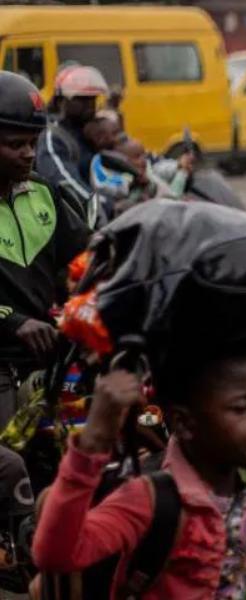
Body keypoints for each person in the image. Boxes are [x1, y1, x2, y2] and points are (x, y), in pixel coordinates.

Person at [33, 298, 246, 598]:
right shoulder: (149, 500)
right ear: (185, 422)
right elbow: (57, 554)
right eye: (240, 407)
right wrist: (93, 442)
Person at [0, 71, 87, 550]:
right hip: (3, 364)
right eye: (15, 144)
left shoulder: (43, 195)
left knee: (78, 442)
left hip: (52, 359)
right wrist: (12, 321)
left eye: (32, 143)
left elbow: (83, 256)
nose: (29, 154)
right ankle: (21, 550)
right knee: (10, 465)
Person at [36, 65, 108, 225]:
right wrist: (97, 206)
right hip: (75, 221)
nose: (89, 105)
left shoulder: (89, 130)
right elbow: (64, 182)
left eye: (93, 99)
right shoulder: (53, 136)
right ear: (61, 101)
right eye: (81, 99)